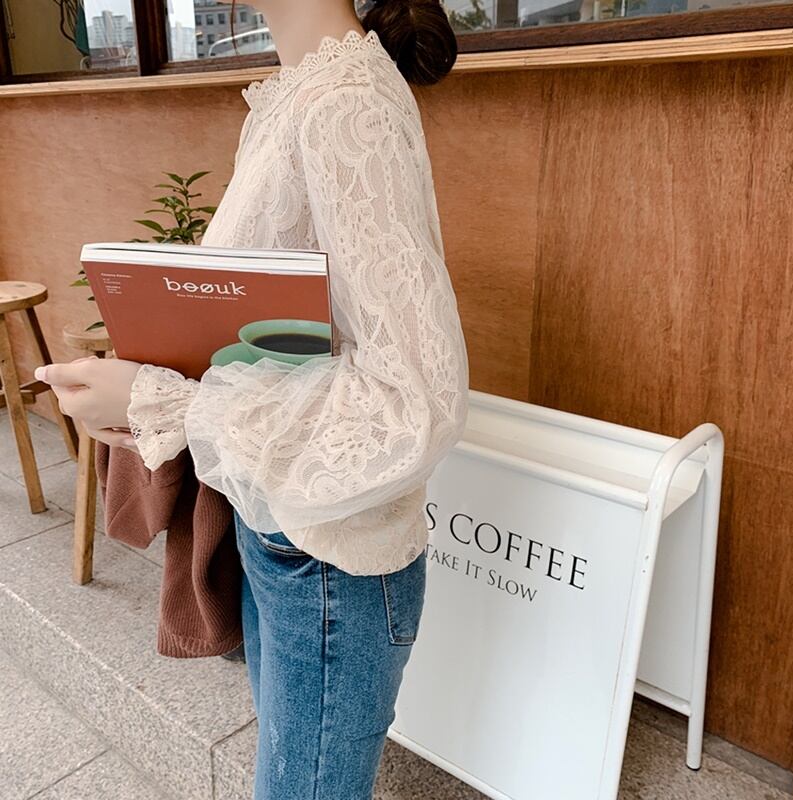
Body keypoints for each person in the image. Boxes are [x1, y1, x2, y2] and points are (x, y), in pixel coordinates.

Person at [35, 0, 469, 797]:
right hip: (285, 532)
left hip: (328, 564)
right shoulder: (300, 92)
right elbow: (294, 341)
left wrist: (166, 401)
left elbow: (414, 402)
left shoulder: (344, 104)